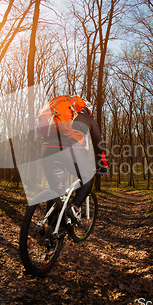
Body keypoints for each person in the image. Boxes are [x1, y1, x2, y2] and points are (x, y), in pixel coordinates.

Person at [38, 95, 108, 224]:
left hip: (46, 149)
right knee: (87, 176)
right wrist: (103, 164)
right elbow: (99, 145)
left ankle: (49, 227)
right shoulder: (88, 118)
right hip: (68, 149)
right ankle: (74, 207)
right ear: (88, 110)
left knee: (56, 190)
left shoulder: (60, 116)